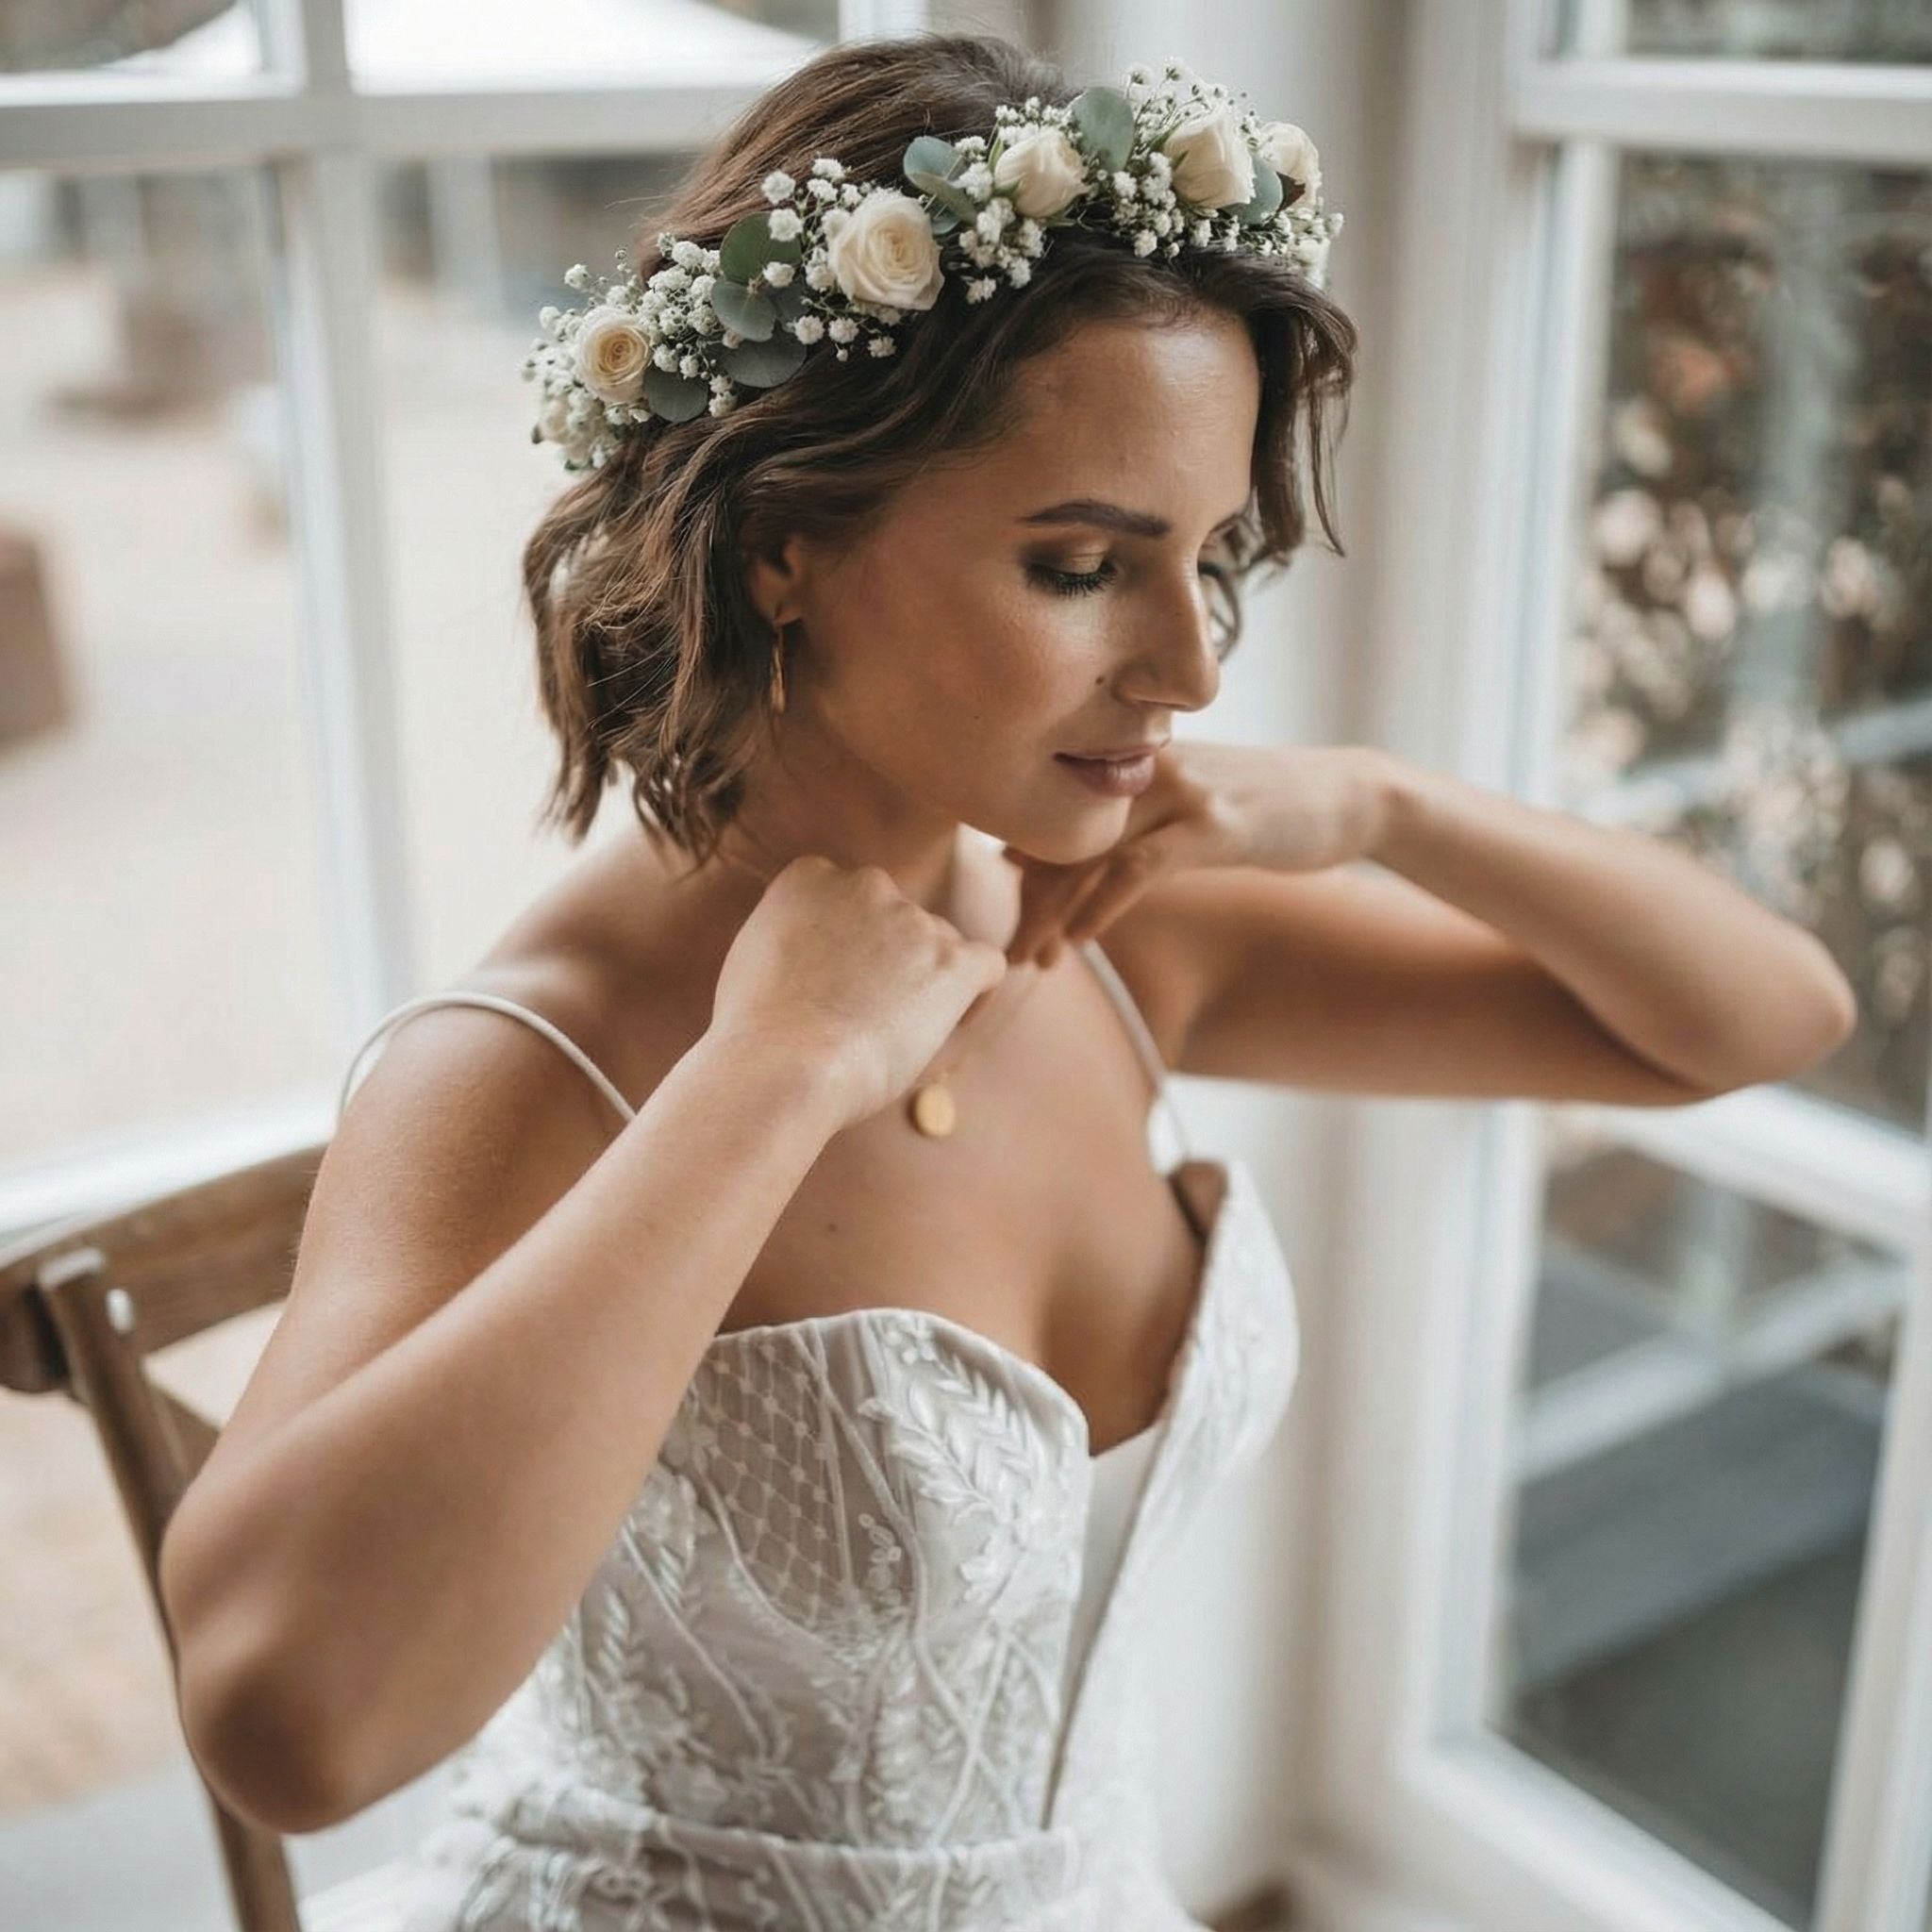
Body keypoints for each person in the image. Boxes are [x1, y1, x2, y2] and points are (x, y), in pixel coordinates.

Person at [154, 30, 1857, 1932]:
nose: (1189, 669)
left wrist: (1387, 806)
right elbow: (290, 1730)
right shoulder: (537, 1062)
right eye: (1078, 566)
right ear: (785, 545)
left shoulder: (1109, 926)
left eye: (1208, 557)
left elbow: (1758, 1021)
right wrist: (768, 1073)